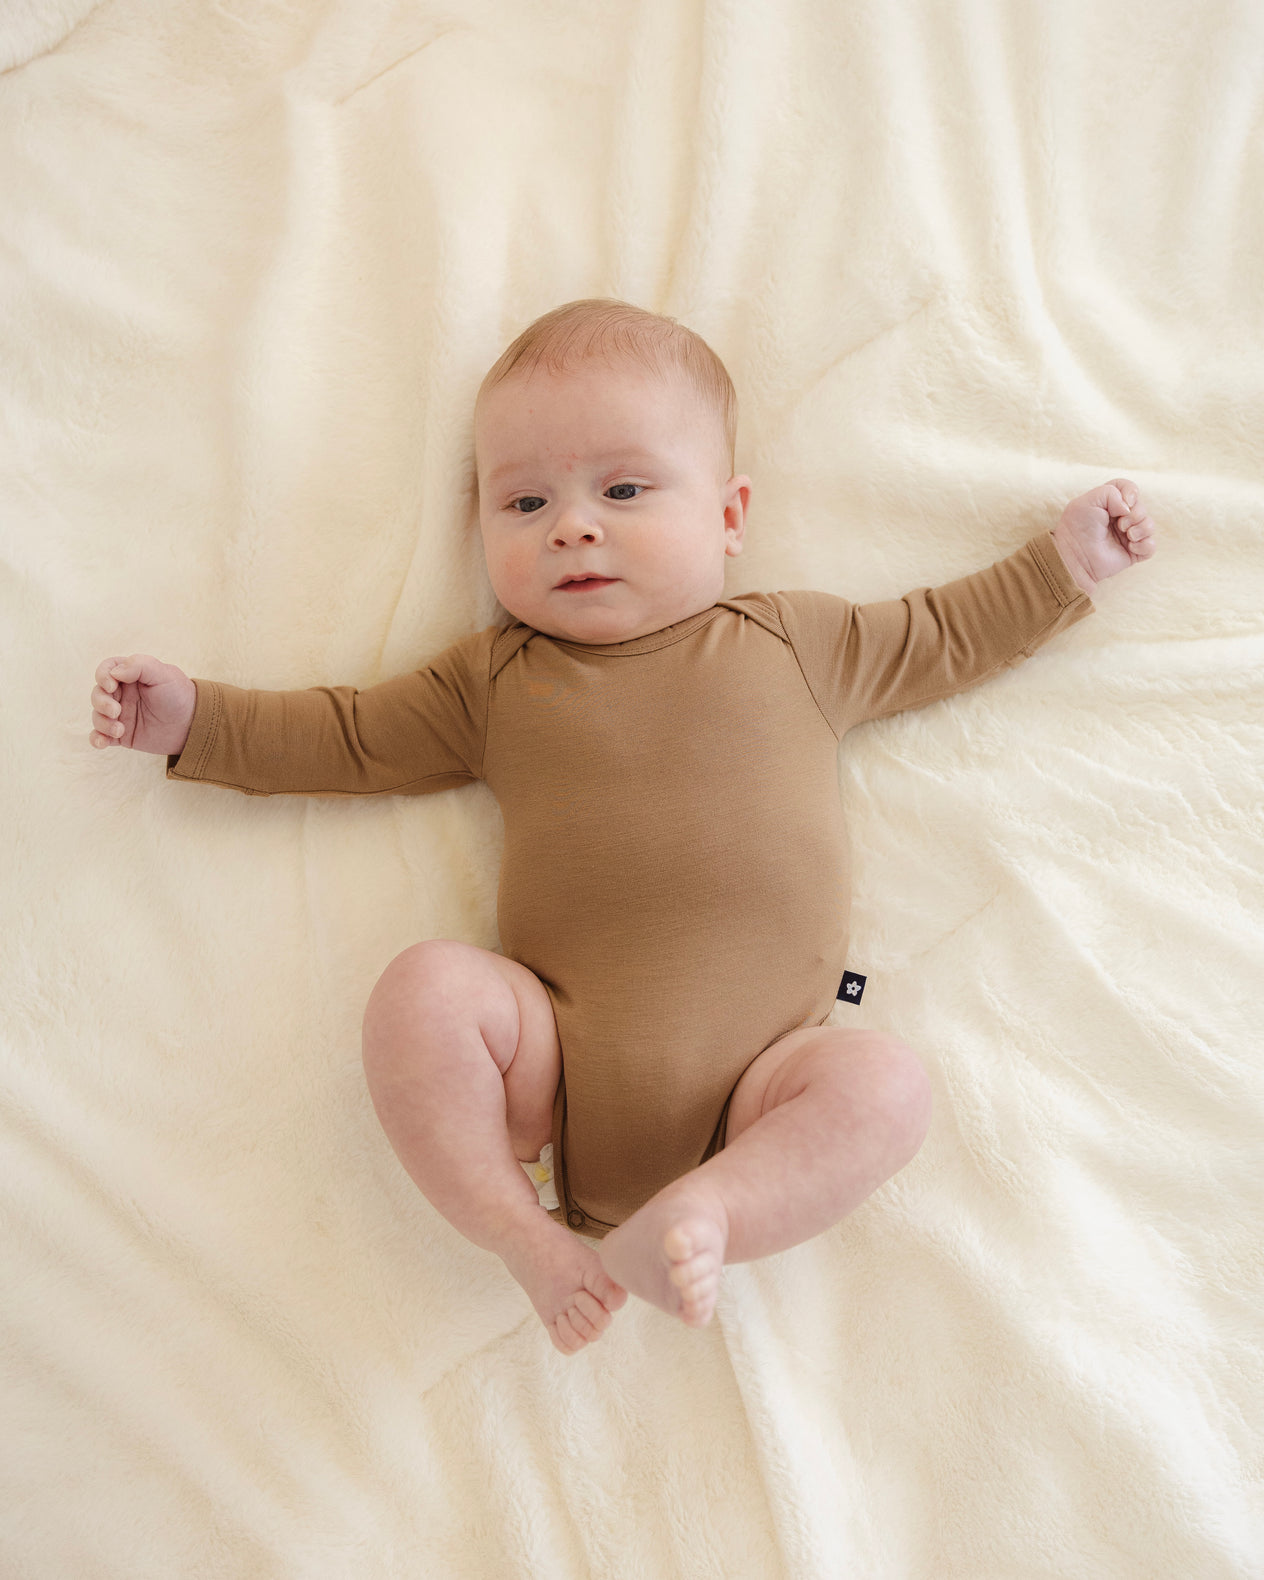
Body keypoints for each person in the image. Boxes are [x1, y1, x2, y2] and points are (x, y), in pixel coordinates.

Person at [88, 298, 1158, 1356]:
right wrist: (197, 720)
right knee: (424, 991)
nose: (572, 523)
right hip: (547, 1080)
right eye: (522, 502)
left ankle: (708, 1212)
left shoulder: (798, 643)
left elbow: (944, 634)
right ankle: (524, 1234)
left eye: (624, 487)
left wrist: (1065, 564)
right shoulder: (497, 680)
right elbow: (351, 736)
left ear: (729, 516)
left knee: (883, 1086)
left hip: (763, 1083)